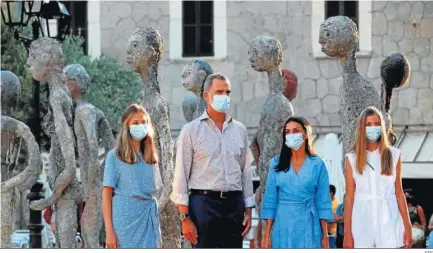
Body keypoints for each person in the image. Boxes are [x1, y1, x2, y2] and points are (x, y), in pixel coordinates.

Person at [171, 73, 254, 248]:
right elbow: (181, 174)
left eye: (227, 92)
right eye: (219, 92)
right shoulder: (190, 131)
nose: (224, 96)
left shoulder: (240, 130)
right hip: (203, 205)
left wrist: (248, 209)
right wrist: (184, 217)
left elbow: (245, 173)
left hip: (234, 205)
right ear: (206, 95)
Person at [343, 106, 413, 248]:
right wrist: (347, 233)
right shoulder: (352, 159)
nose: (372, 127)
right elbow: (349, 197)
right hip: (362, 220)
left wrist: (408, 227)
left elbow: (399, 193)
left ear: (382, 127)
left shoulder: (394, 155)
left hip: (388, 218)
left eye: (376, 124)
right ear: (362, 128)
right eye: (368, 124)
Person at [261, 116, 333, 248]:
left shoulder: (318, 164)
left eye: (296, 131)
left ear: (305, 134)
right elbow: (270, 200)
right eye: (287, 132)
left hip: (309, 224)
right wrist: (266, 235)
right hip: (283, 224)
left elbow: (323, 201)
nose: (291, 135)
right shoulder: (276, 163)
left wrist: (325, 237)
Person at [102, 104, 163, 248]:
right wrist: (109, 231)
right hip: (124, 219)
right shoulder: (114, 156)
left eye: (143, 122)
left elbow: (157, 189)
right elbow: (106, 195)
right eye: (135, 123)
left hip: (147, 217)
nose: (140, 126)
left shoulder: (151, 156)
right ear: (126, 126)